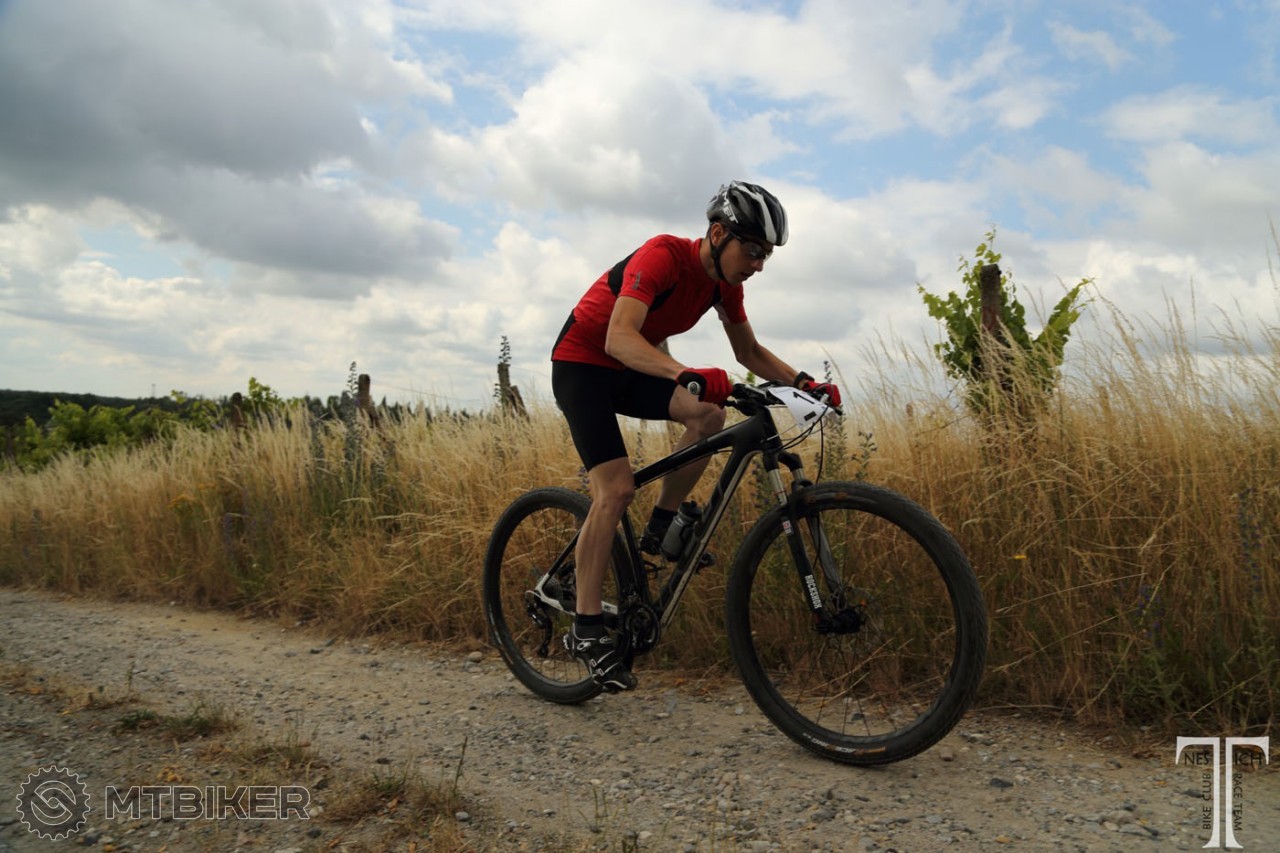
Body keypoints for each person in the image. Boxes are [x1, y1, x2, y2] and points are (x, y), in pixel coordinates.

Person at [550, 181, 842, 691]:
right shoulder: (662, 256)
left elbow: (749, 352)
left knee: (708, 415)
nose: (759, 264)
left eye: (766, 255)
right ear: (718, 234)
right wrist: (685, 372)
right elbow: (619, 336)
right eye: (753, 250)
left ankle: (660, 529)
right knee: (616, 490)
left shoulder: (724, 286)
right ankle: (586, 628)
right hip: (583, 364)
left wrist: (803, 382)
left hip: (628, 368)